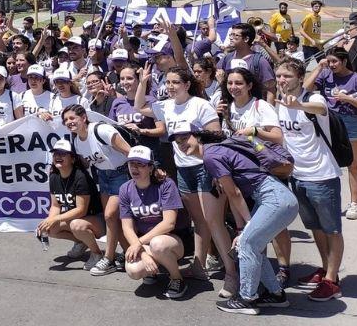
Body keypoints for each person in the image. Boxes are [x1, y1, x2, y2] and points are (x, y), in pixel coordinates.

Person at [175, 124, 297, 314]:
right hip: (274, 197)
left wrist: (246, 226)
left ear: (198, 137)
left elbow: (235, 194)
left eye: (185, 138)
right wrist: (241, 229)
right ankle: (276, 294)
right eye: (178, 142)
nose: (182, 144)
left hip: (274, 198)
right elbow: (233, 196)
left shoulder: (210, 156)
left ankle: (247, 298)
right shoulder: (217, 151)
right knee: (251, 245)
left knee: (247, 245)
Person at [136, 66, 235, 293]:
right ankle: (199, 266)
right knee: (199, 222)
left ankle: (232, 272)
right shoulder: (165, 106)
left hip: (204, 167)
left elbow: (216, 137)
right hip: (183, 170)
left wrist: (215, 170)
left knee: (214, 221)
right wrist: (143, 82)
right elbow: (140, 107)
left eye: (176, 83)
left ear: (187, 84)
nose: (170, 87)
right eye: (168, 82)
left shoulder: (200, 105)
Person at [273, 57, 344, 301]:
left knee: (332, 229)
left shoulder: (313, 99)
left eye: (287, 76)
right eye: (279, 76)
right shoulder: (280, 102)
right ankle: (325, 269)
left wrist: (299, 106)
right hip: (297, 176)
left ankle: (333, 282)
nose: (282, 80)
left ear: (301, 78)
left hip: (322, 176)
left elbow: (320, 109)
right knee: (315, 227)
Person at [303, 47, 357, 220]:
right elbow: (305, 88)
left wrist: (349, 99)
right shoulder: (325, 75)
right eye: (329, 61)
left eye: (334, 61)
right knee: (325, 164)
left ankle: (354, 204)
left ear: (344, 61)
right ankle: (326, 203)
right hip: (330, 124)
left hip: (352, 124)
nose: (331, 65)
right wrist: (319, 68)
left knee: (354, 165)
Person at [62, 104, 132, 277]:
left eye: (72, 118)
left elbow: (130, 152)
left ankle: (108, 258)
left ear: (83, 117)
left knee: (109, 215)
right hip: (103, 177)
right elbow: (87, 164)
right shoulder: (77, 141)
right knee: (113, 220)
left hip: (121, 174)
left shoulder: (101, 130)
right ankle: (126, 253)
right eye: (65, 120)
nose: (69, 122)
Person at [119, 145, 190, 299]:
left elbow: (169, 223)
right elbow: (127, 227)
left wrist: (138, 245)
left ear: (151, 168)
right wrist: (142, 252)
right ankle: (153, 269)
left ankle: (177, 278)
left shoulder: (166, 184)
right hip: (145, 243)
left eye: (140, 164)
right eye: (132, 164)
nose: (135, 168)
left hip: (173, 240)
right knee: (133, 270)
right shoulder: (125, 189)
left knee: (158, 244)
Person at [36, 139, 106, 270]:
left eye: (63, 154)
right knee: (48, 228)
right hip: (78, 220)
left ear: (72, 159)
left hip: (97, 220)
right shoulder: (53, 177)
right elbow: (56, 206)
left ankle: (97, 254)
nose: (58, 156)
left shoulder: (80, 177)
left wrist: (55, 219)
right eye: (56, 153)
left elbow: (81, 211)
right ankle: (81, 242)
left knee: (76, 225)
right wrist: (50, 220)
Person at [216, 23, 275, 98]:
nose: (231, 38)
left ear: (246, 39)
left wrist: (268, 108)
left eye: (235, 35)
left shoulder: (259, 61)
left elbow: (271, 90)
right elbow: (216, 73)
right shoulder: (227, 58)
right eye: (231, 35)